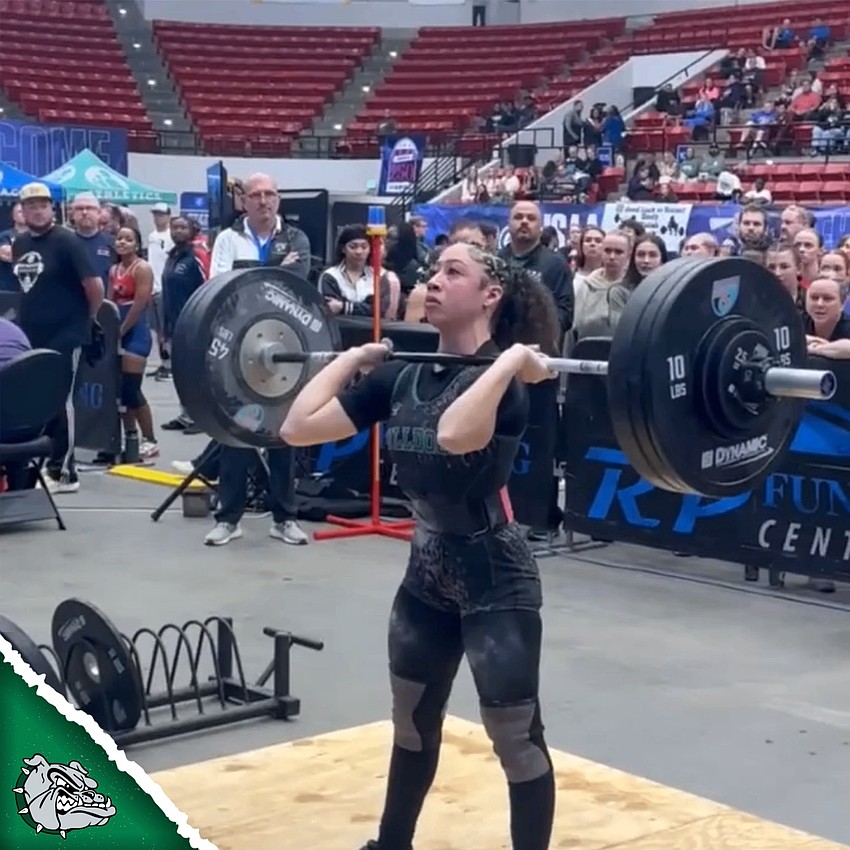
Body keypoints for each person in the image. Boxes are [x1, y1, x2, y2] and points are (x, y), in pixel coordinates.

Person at [281, 241, 561, 850]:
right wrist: (354, 355)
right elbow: (297, 425)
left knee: (514, 737)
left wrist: (509, 362)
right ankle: (391, 845)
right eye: (432, 272)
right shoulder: (401, 375)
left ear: (491, 296)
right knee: (410, 723)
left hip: (497, 578)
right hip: (426, 577)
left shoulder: (505, 386)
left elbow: (457, 434)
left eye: (451, 273)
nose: (431, 281)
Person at [200, 172, 309, 547]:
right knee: (237, 432)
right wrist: (274, 273)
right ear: (242, 201)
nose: (264, 200)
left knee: (283, 433)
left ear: (279, 199)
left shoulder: (297, 238)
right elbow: (221, 286)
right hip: (236, 349)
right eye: (256, 195)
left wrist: (252, 277)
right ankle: (228, 518)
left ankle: (284, 518)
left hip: (281, 347)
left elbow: (296, 286)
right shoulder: (228, 239)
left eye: (271, 194)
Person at [11, 182, 104, 494]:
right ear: (22, 211)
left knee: (64, 400)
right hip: (32, 335)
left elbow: (95, 287)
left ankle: (65, 472)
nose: (37, 210)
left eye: (43, 204)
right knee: (39, 401)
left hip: (67, 333)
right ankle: (41, 464)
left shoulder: (67, 241)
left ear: (52, 208)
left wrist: (86, 322)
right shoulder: (21, 243)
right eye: (31, 205)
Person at [107, 226, 159, 459]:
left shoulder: (143, 269)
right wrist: (108, 329)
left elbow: (140, 304)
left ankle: (150, 439)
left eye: (128, 239)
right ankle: (130, 436)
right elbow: (109, 303)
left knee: (131, 389)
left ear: (137, 245)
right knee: (119, 391)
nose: (123, 243)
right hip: (118, 328)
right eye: (119, 239)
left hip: (136, 332)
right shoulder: (113, 270)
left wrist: (122, 330)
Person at [160, 215, 209, 434]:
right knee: (179, 373)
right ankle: (185, 414)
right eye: (174, 227)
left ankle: (201, 418)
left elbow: (208, 285)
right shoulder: (172, 256)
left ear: (192, 230)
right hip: (173, 323)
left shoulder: (196, 255)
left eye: (182, 227)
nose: (177, 231)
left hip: (193, 324)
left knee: (195, 373)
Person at [318, 225, 400, 319]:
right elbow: (330, 308)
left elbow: (381, 310)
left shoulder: (381, 276)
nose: (359, 251)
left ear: (370, 249)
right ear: (343, 249)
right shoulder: (330, 276)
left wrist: (344, 307)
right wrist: (365, 308)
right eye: (353, 247)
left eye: (364, 247)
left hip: (371, 331)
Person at [147, 202, 175, 380]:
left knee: (166, 329)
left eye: (161, 214)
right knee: (157, 329)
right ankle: (163, 363)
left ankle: (171, 363)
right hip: (152, 287)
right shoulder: (151, 236)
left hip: (165, 288)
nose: (158, 218)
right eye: (156, 214)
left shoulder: (172, 236)